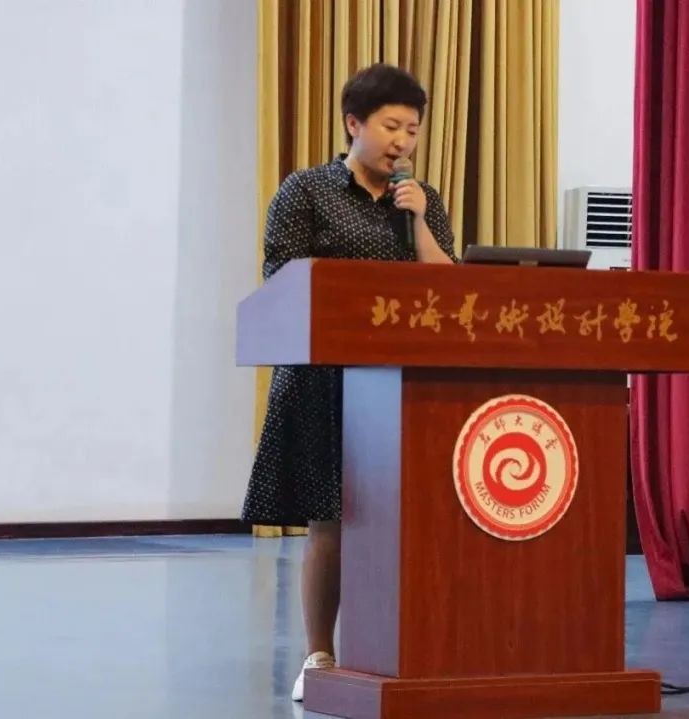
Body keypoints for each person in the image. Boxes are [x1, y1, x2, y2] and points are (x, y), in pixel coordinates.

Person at [241, 63, 457, 703]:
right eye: (391, 127)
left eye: (412, 130)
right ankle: (319, 654)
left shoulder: (420, 199)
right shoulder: (306, 190)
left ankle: (403, 650)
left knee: (406, 519)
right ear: (353, 124)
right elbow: (284, 280)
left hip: (402, 382)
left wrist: (419, 222)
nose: (402, 142)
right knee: (330, 522)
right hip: (323, 380)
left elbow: (451, 290)